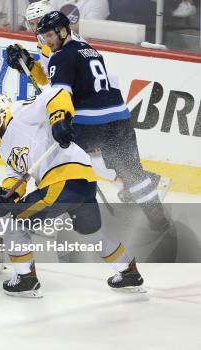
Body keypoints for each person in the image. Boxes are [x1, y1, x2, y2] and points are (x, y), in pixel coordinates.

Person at [0, 88, 145, 297]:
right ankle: (128, 272)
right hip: (81, 183)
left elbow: (56, 94)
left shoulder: (19, 111)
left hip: (62, 179)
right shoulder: (4, 148)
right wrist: (4, 195)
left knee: (14, 222)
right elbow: (16, 176)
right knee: (92, 233)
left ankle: (25, 279)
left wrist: (59, 120)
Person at [33, 11, 175, 247]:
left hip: (90, 124)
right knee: (133, 173)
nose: (47, 41)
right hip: (120, 119)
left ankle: (48, 220)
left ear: (63, 31)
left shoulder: (61, 57)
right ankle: (160, 223)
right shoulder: (89, 50)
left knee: (54, 164)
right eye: (44, 37)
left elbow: (60, 94)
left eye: (49, 35)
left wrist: (59, 121)